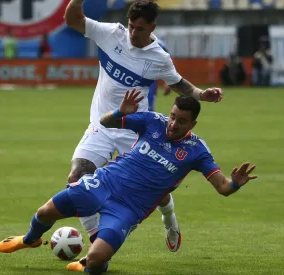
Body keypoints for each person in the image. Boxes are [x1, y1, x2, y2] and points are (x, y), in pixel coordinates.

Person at [0, 89, 258, 274]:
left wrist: (234, 183)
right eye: (173, 116)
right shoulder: (152, 121)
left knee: (98, 260)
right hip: (104, 183)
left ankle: (90, 264)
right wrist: (120, 112)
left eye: (181, 121)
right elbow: (105, 121)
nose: (173, 124)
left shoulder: (197, 150)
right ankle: (30, 239)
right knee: (45, 212)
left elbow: (223, 188)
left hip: (128, 209)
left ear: (193, 123)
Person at [63, 0, 223, 255]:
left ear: (152, 28)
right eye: (131, 27)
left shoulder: (159, 57)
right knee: (76, 177)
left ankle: (169, 220)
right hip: (103, 125)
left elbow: (179, 83)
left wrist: (202, 94)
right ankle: (96, 242)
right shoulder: (111, 34)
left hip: (136, 130)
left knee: (156, 192)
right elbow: (73, 19)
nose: (133, 34)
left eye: (139, 29)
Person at [147, 39, 172, 111]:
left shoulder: (158, 43)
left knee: (148, 110)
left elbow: (167, 61)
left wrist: (168, 81)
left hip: (150, 81)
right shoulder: (129, 38)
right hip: (129, 79)